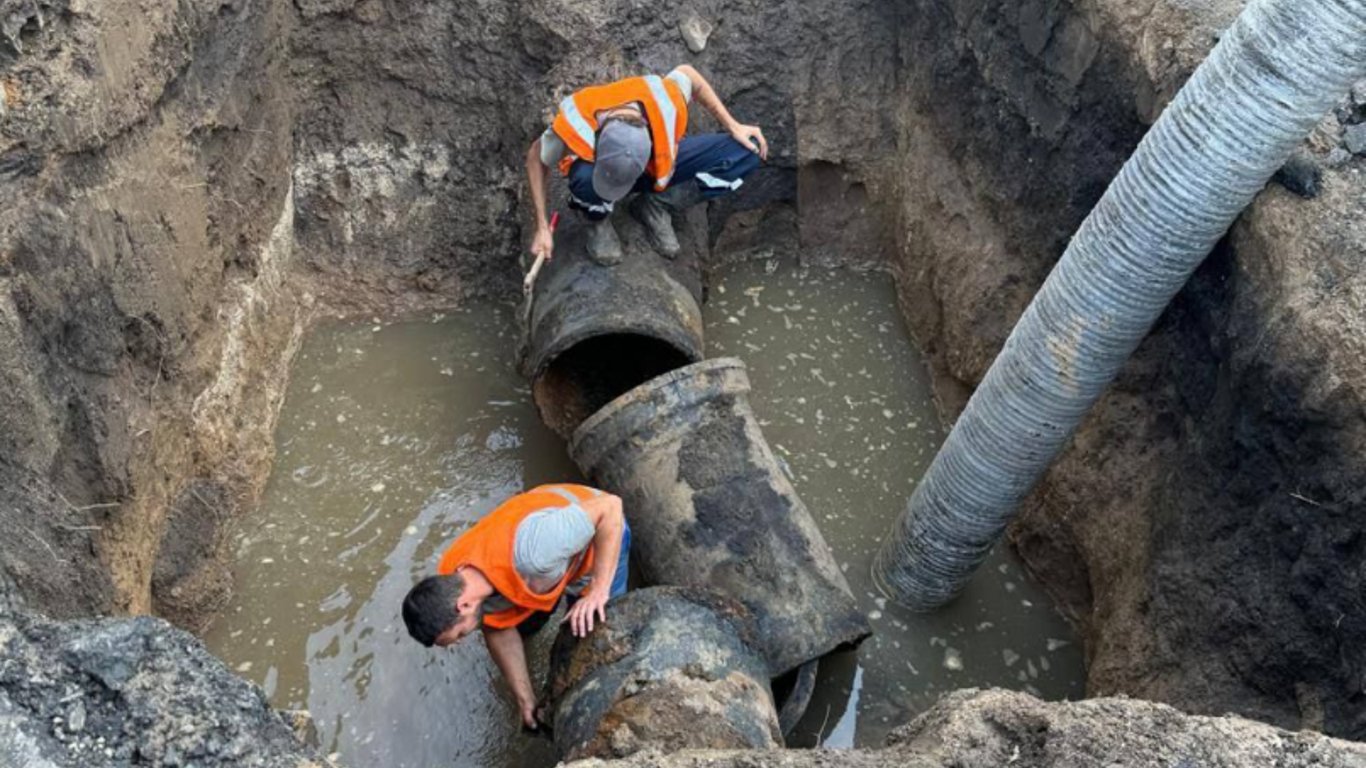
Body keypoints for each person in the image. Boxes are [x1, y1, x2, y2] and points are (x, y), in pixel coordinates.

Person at [401, 483, 628, 730]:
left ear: (464, 604)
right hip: (550, 563)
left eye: (460, 634)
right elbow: (497, 626)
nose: (461, 641)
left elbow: (611, 507)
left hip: (599, 537)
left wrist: (598, 590)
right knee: (525, 625)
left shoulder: (535, 552)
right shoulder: (453, 577)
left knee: (597, 629)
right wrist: (525, 699)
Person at [526, 65, 769, 266]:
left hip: (657, 166)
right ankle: (596, 219)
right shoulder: (576, 121)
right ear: (598, 145)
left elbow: (689, 74)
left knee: (746, 153)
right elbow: (536, 157)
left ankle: (656, 204)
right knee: (582, 178)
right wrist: (542, 226)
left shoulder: (665, 100)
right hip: (599, 173)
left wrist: (733, 125)